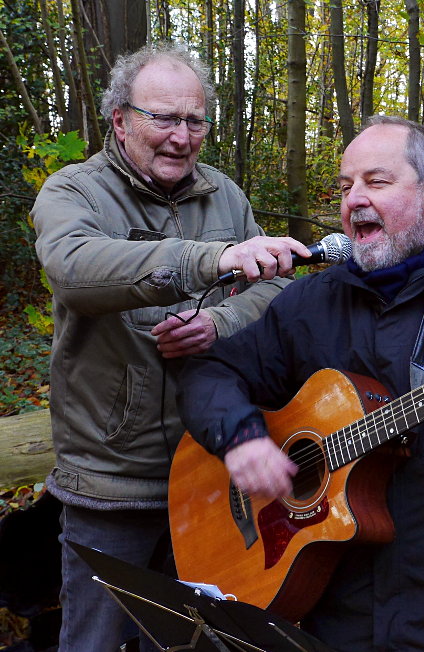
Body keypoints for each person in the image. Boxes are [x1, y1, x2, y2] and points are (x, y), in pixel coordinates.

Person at [176, 115, 424, 651]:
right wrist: (242, 438)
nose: (353, 200)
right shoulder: (309, 304)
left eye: (376, 181)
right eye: (346, 186)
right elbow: (210, 373)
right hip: (329, 617)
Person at [31, 42, 312, 652]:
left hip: (214, 478)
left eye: (195, 121)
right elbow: (73, 269)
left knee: (198, 640)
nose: (182, 137)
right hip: (112, 481)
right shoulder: (72, 192)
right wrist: (205, 259)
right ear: (121, 120)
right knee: (94, 640)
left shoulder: (225, 195)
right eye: (164, 119)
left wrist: (221, 323)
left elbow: (275, 290)